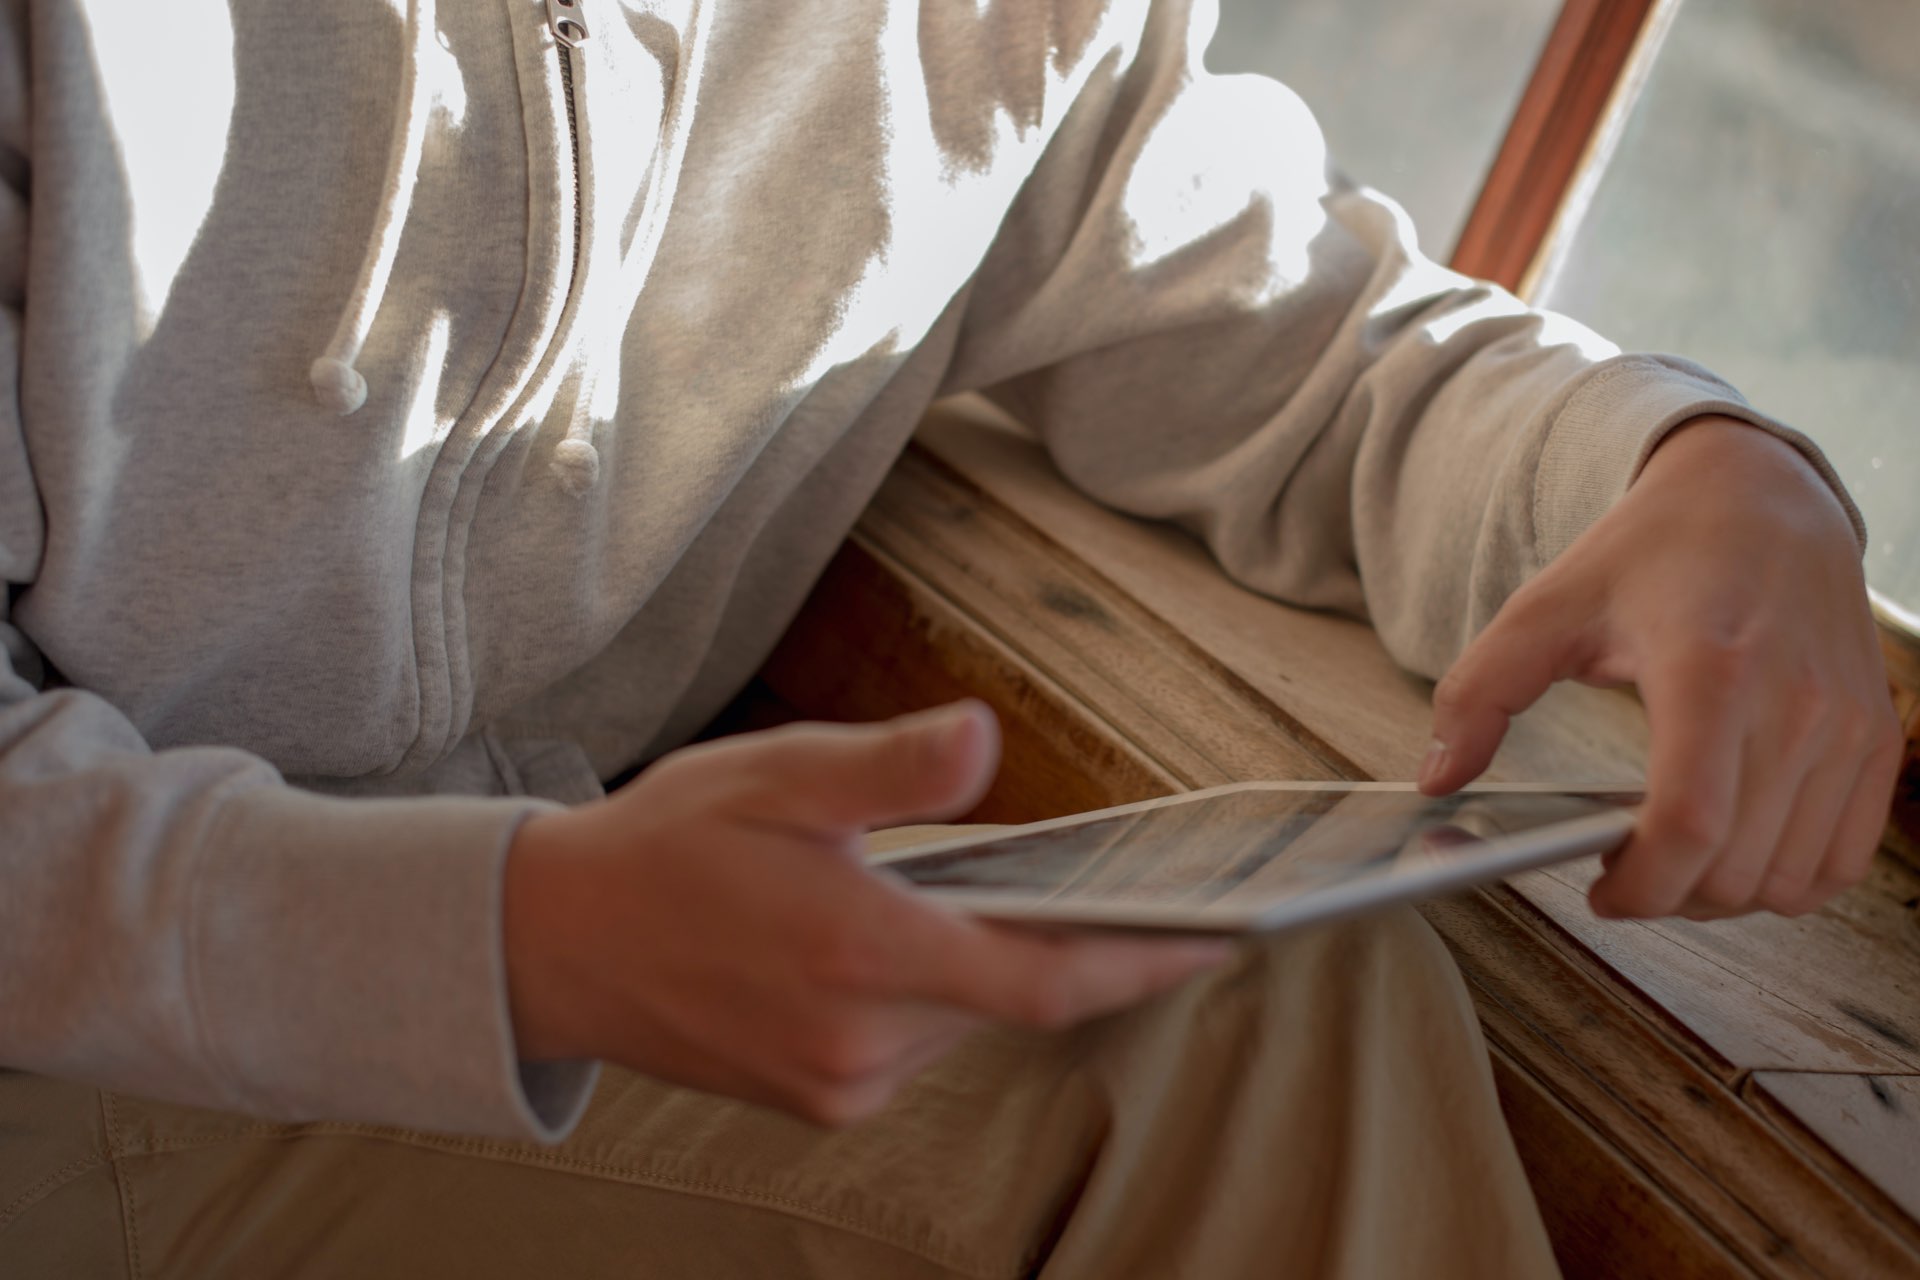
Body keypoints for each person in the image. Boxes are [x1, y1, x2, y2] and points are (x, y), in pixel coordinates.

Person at [0, 0, 1900, 1275]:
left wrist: (1688, 464)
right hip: (74, 1065)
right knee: (1244, 1032)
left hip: (495, 1010)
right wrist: (510, 942)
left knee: (1250, 987)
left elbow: (1314, 345)